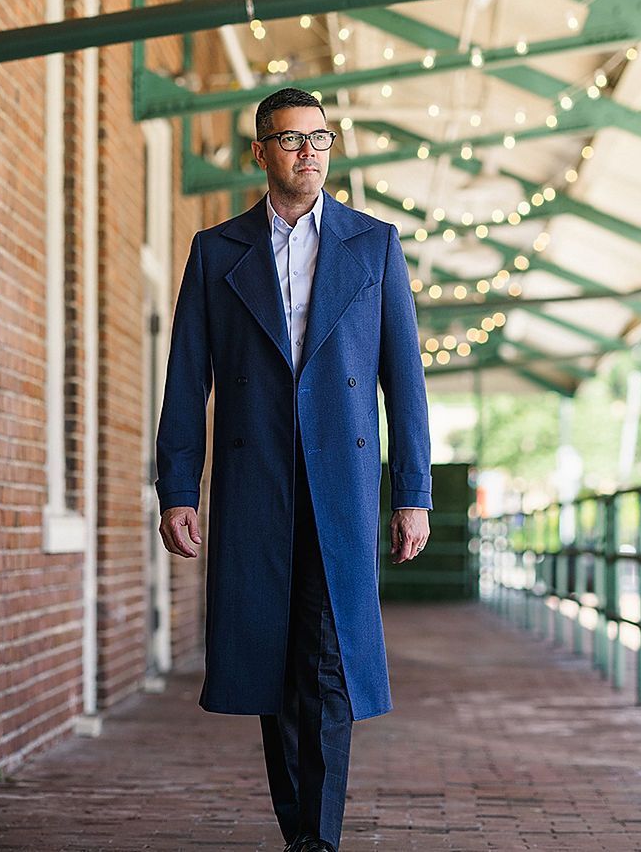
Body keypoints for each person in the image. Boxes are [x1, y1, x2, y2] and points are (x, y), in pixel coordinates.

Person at [154, 87, 433, 852]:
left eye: (320, 138)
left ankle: (319, 837)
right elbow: (187, 377)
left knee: (330, 657)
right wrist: (178, 485)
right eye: (291, 140)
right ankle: (298, 830)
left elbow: (403, 379)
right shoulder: (217, 251)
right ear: (261, 153)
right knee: (274, 660)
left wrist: (412, 494)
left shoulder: (373, 243)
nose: (308, 152)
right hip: (255, 482)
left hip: (341, 484)